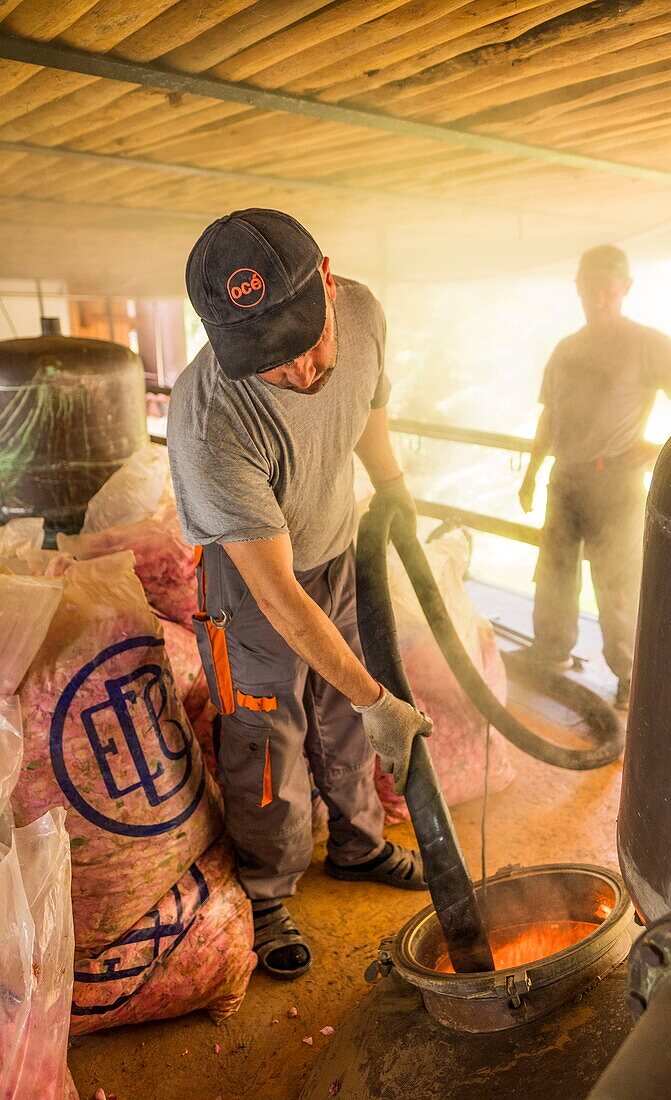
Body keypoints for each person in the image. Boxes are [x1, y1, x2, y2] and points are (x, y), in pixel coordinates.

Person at [166, 209, 432, 982]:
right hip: (256, 582)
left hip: (334, 546)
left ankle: (355, 844)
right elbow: (278, 596)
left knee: (344, 717)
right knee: (265, 734)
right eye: (265, 360)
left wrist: (392, 485)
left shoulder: (361, 310)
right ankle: (270, 888)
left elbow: (368, 402)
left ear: (325, 279)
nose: (296, 373)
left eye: (301, 342)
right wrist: (380, 697)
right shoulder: (210, 419)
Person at [519, 245, 671, 708]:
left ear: (625, 289)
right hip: (565, 478)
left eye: (608, 290)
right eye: (590, 289)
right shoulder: (566, 349)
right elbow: (549, 418)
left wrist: (666, 447)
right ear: (578, 289)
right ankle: (551, 652)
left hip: (616, 484)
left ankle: (632, 679)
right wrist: (531, 471)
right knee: (554, 574)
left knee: (620, 585)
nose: (598, 299)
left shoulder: (644, 343)